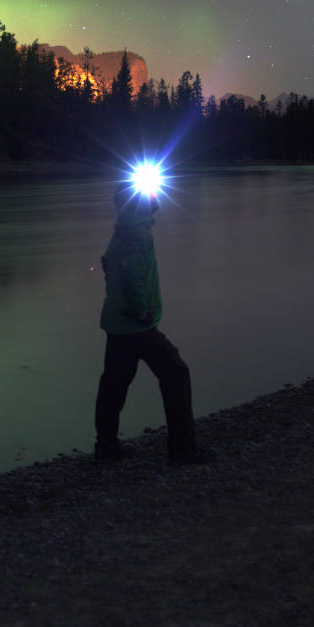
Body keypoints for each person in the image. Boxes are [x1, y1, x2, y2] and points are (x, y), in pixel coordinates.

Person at [93, 182, 215, 465]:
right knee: (175, 373)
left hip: (118, 323)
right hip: (135, 324)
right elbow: (133, 276)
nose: (155, 197)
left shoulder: (123, 229)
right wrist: (142, 313)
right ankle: (182, 448)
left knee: (114, 383)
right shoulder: (137, 234)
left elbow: (109, 265)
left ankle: (106, 447)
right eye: (150, 194)